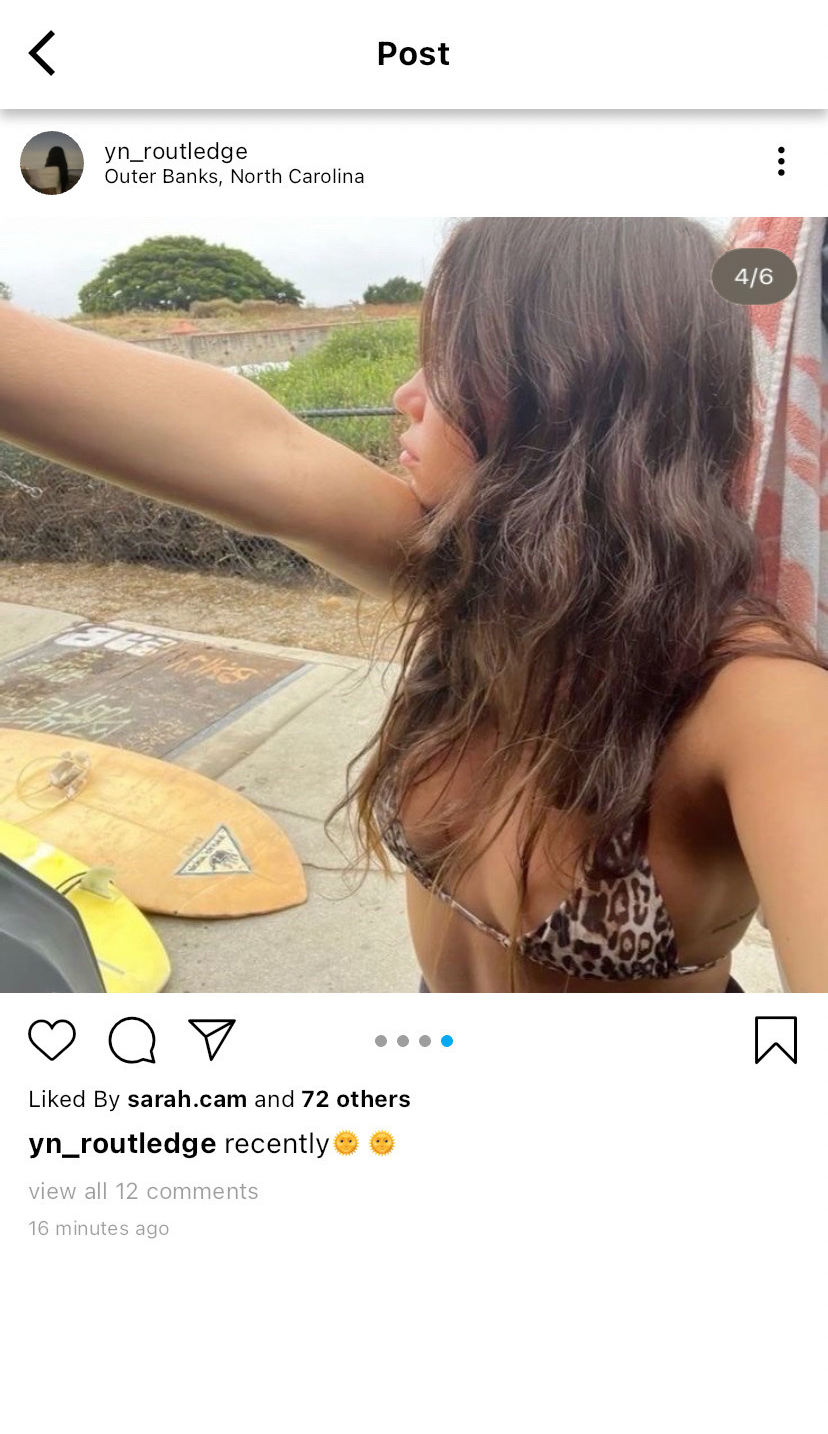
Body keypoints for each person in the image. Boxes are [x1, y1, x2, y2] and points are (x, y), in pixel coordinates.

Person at [1, 217, 827, 993]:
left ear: (567, 386)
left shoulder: (754, 697)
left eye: (450, 359)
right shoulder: (479, 584)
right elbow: (258, 446)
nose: (405, 393)